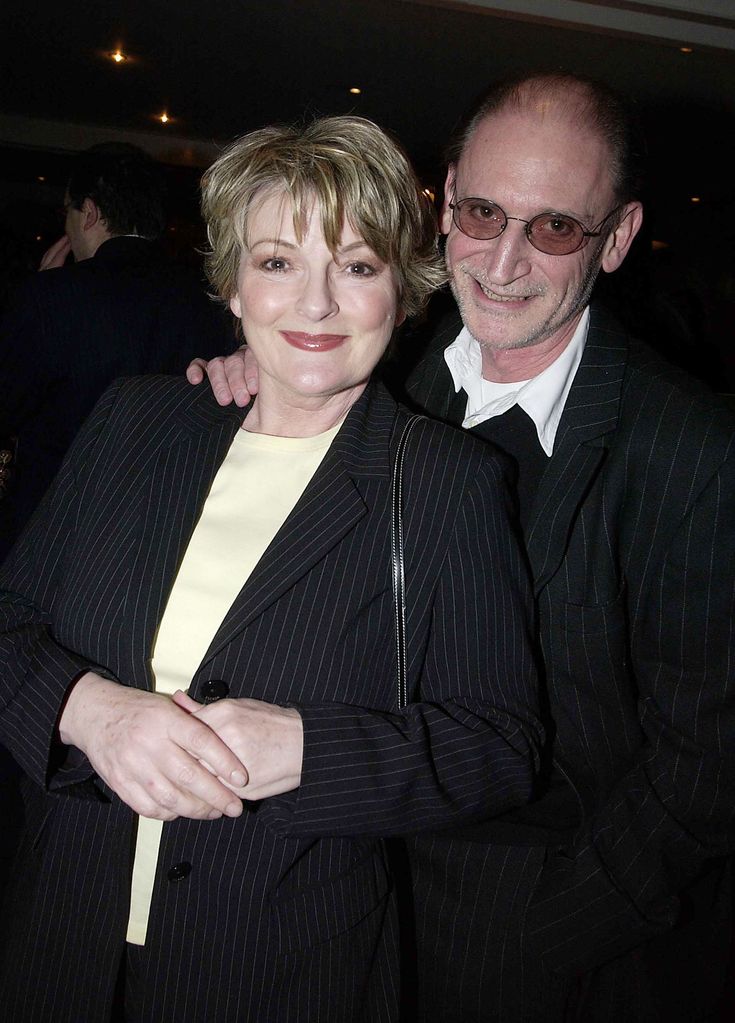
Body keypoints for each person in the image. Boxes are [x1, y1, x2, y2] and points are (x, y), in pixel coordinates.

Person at [187, 72, 735, 1022]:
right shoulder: (369, 365)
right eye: (482, 212)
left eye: (555, 227)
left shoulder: (689, 451)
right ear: (443, 202)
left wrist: (539, 933)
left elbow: (704, 765)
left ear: (618, 237)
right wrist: (261, 373)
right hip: (330, 887)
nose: (504, 261)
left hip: (536, 934)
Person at [0, 115, 542, 1022]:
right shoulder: (135, 422)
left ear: (402, 295)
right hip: (57, 945)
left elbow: (503, 745)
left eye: (358, 266)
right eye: (279, 261)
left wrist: (307, 750)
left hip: (277, 973)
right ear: (234, 284)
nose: (316, 304)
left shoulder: (447, 484)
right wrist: (83, 708)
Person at [0, 141, 235, 562]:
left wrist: (43, 297)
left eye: (67, 212)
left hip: (49, 535)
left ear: (88, 212)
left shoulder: (51, 298)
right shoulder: (210, 302)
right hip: (164, 537)